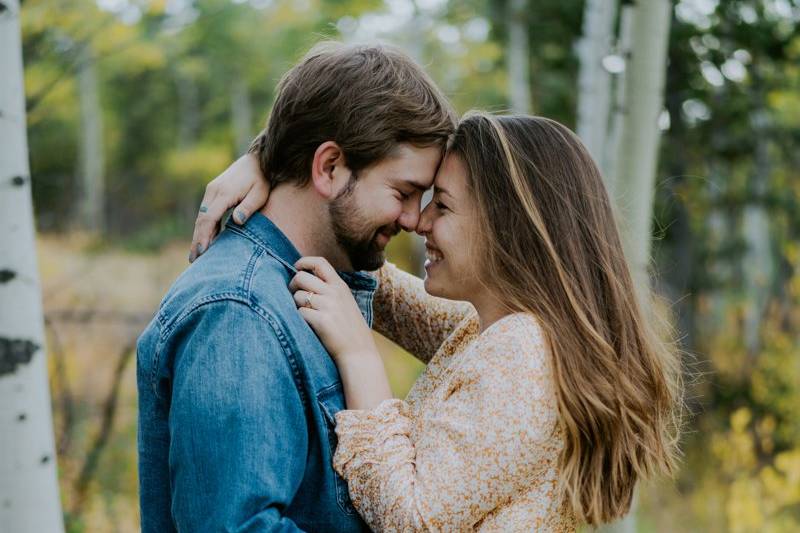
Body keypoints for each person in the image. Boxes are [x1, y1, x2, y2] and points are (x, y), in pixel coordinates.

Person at [194, 112, 683, 531]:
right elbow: (373, 277)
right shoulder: (488, 329)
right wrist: (273, 163)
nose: (419, 222)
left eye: (442, 206)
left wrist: (358, 354)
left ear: (508, 225)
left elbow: (412, 519)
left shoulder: (524, 354)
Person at [136, 41, 456, 532]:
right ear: (328, 167)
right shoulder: (238, 311)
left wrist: (267, 154)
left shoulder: (309, 286)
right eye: (404, 193)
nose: (414, 219)